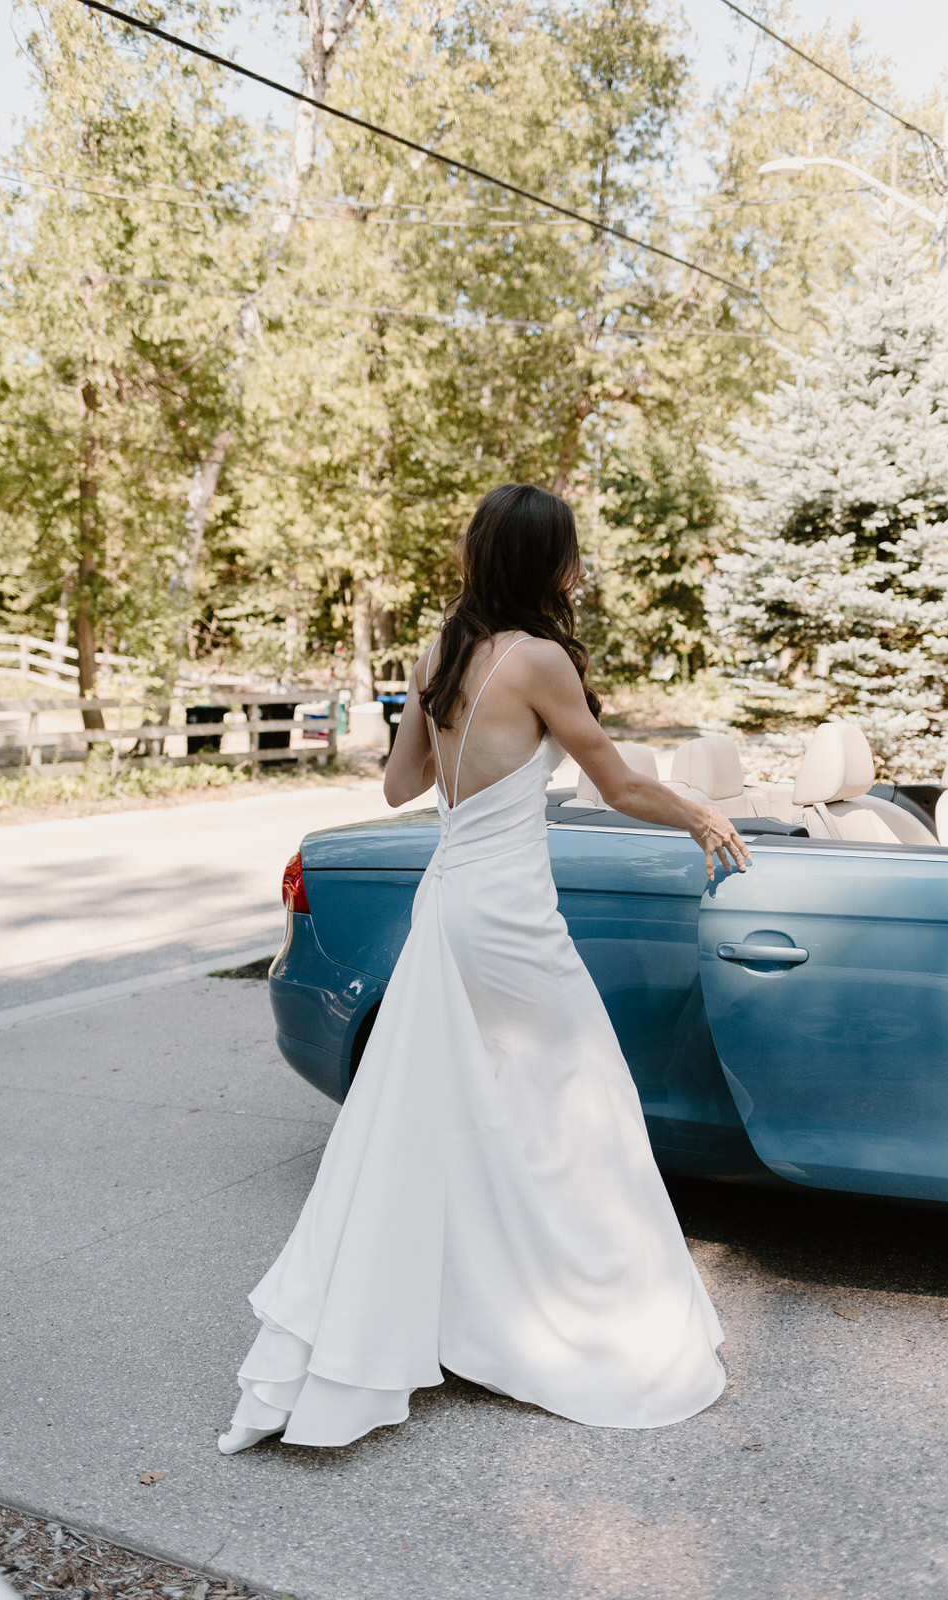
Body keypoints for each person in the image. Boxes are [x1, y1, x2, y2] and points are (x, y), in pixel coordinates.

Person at [218, 483, 751, 1455]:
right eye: (570, 553)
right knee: (582, 1100)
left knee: (458, 1109)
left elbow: (398, 784)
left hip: (447, 900)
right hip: (506, 914)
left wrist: (439, 719)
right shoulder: (538, 658)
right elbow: (620, 782)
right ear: (545, 563)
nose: (578, 568)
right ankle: (586, 1328)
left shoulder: (442, 651)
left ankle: (473, 1315)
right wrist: (704, 816)